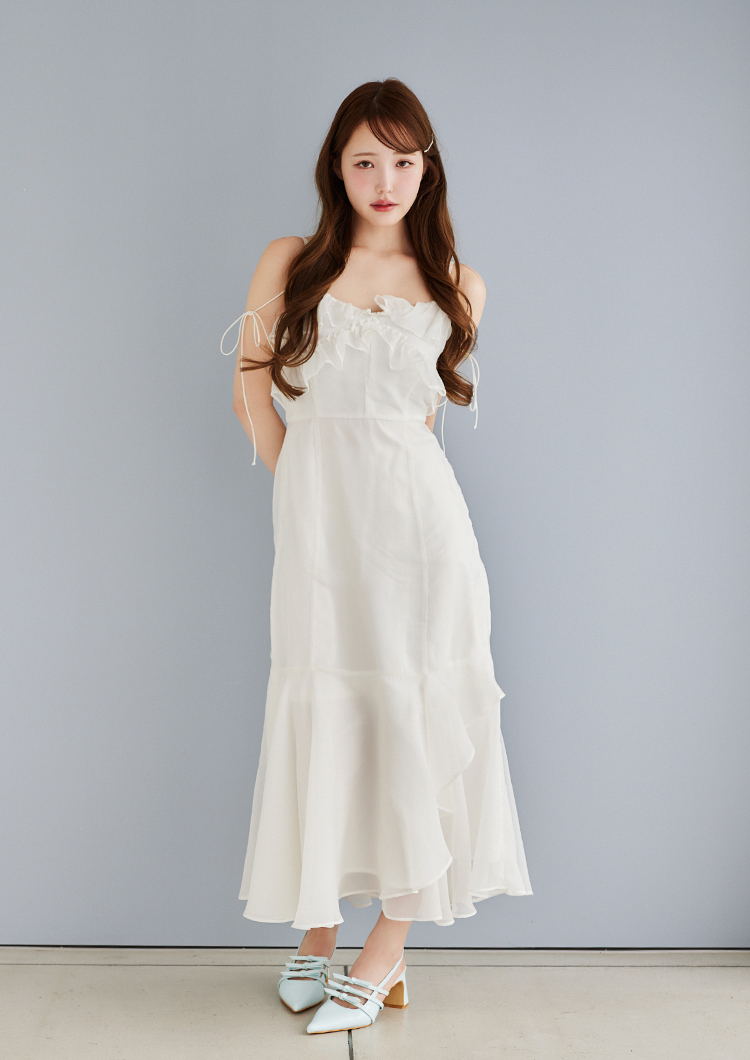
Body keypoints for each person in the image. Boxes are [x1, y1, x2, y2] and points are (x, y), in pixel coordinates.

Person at [220, 77, 532, 1035]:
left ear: (426, 168)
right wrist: (305, 495)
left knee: (412, 713)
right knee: (324, 702)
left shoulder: (458, 283)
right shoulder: (291, 260)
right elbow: (252, 392)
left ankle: (385, 950)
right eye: (365, 161)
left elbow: (417, 426)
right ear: (337, 168)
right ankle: (318, 931)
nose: (385, 180)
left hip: (423, 539)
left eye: (403, 161)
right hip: (319, 537)